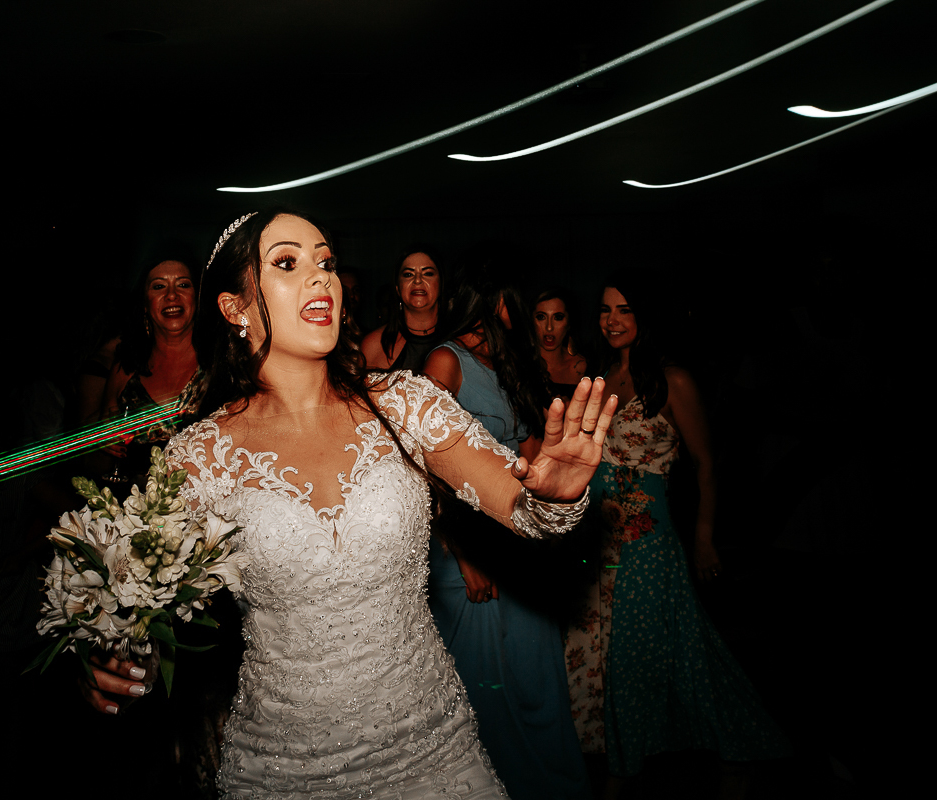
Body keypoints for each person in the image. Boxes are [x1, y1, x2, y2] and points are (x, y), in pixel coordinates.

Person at [80, 210, 618, 799]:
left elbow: (526, 510)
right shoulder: (199, 456)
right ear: (235, 308)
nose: (321, 278)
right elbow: (149, 602)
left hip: (433, 753)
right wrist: (117, 653)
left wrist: (556, 495)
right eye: (288, 263)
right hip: (282, 768)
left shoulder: (405, 404)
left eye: (326, 262)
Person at [563, 271, 788, 796]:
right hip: (597, 542)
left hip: (648, 544)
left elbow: (707, 465)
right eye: (605, 310)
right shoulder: (599, 377)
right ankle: (634, 759)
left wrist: (705, 539)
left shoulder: (673, 380)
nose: (612, 320)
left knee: (663, 656)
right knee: (615, 658)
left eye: (624, 309)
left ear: (645, 316)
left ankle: (671, 760)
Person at [422, 259, 590, 800]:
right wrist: (464, 554)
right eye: (513, 305)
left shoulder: (508, 363)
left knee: (538, 678)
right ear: (495, 305)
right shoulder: (447, 360)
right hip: (468, 551)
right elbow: (423, 460)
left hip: (519, 547)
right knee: (483, 694)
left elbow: (527, 457)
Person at [100, 254, 209, 486]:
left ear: (198, 297)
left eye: (183, 285)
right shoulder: (125, 368)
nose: (172, 295)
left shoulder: (222, 363)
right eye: (159, 286)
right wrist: (104, 444)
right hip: (137, 502)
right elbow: (97, 466)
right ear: (145, 303)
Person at [361, 246, 445, 371]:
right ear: (397, 288)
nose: (417, 280)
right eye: (408, 274)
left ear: (441, 284)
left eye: (427, 273)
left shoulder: (461, 341)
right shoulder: (374, 345)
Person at [534, 286, 588, 401]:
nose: (549, 327)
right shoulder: (519, 364)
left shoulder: (584, 366)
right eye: (541, 317)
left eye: (558, 318)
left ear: (569, 323)